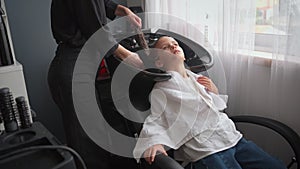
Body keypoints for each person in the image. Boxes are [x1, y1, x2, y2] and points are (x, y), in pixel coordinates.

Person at [133, 36, 287, 169]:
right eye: (166, 47)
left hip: (231, 138)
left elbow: (215, 107)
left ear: (184, 56)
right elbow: (157, 118)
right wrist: (153, 142)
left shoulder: (198, 80)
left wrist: (214, 91)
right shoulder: (162, 89)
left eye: (175, 44)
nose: (173, 46)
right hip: (207, 149)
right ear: (159, 62)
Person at [48, 1, 143, 169]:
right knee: (88, 145)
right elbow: (95, 31)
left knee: (95, 136)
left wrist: (123, 10)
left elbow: (100, 3)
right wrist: (127, 56)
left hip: (82, 62)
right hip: (73, 64)